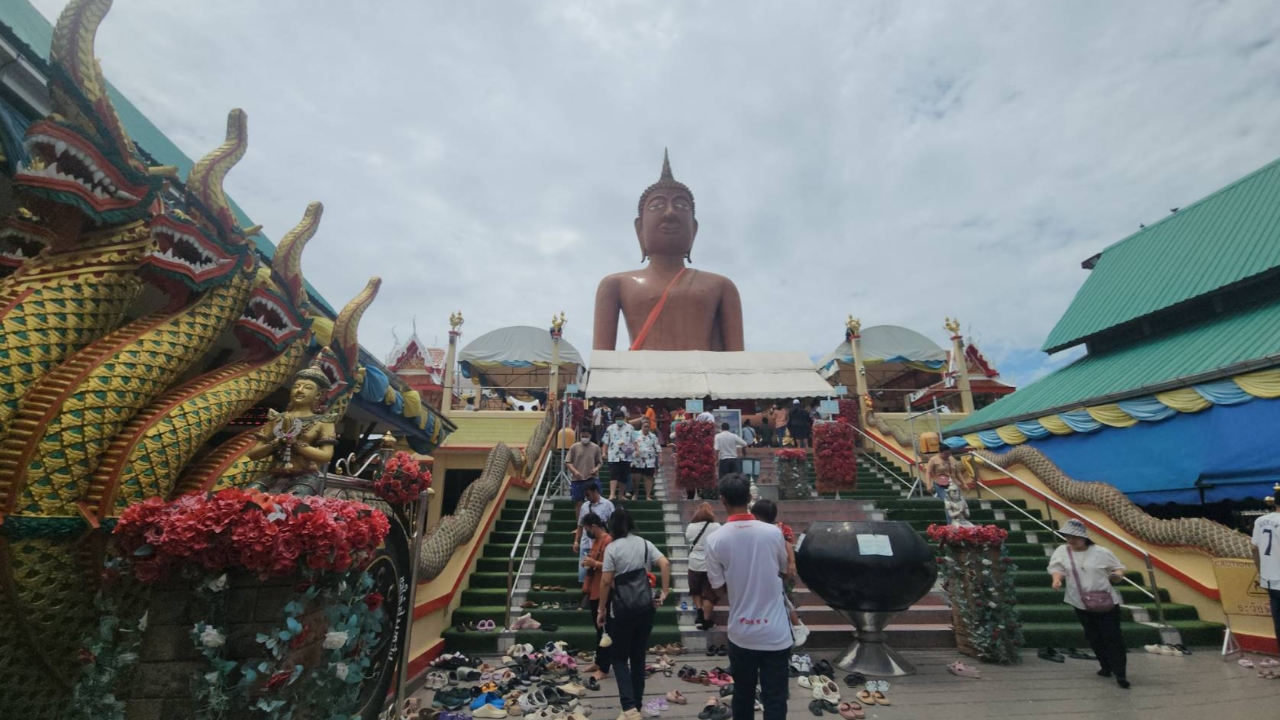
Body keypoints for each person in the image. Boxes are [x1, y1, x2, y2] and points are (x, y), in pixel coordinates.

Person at [705, 474, 791, 720]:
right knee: (775, 697)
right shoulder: (773, 533)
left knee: (742, 694)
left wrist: (739, 590)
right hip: (776, 633)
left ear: (722, 500)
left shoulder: (715, 539)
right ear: (751, 497)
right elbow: (783, 571)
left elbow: (718, 587)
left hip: (742, 631)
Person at [598, 508, 672, 720]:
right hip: (645, 607)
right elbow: (665, 563)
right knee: (638, 657)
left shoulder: (612, 548)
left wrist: (601, 610)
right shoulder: (645, 544)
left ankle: (629, 708)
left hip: (621, 609)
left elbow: (605, 582)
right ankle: (636, 707)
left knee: (619, 657)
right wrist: (664, 593)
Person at [1048, 519, 1130, 689]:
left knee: (1113, 636)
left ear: (1084, 537)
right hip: (1080, 601)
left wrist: (1117, 576)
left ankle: (1120, 672)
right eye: (1068, 537)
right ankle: (1105, 666)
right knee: (1093, 636)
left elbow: (1118, 568)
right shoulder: (1062, 551)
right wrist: (1057, 580)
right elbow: (1057, 568)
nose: (1071, 540)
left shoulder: (1101, 552)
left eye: (1075, 537)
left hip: (1106, 601)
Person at [748, 499, 801, 627]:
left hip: (774, 575)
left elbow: (787, 546)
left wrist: (790, 565)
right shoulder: (774, 530)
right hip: (774, 575)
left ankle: (797, 627)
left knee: (784, 602)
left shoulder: (775, 531)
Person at [580, 512, 614, 681]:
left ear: (593, 526)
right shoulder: (596, 542)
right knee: (599, 630)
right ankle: (599, 661)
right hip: (595, 589)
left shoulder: (608, 540)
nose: (587, 532)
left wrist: (594, 563)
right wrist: (588, 562)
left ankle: (605, 667)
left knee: (604, 630)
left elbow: (611, 566)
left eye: (587, 528)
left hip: (604, 591)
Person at [1250, 484, 1280, 648]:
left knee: (1278, 621)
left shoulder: (1260, 521)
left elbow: (1254, 548)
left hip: (1269, 578)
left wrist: (1261, 569)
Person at [685, 502, 721, 630]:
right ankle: (706, 619)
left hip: (694, 563)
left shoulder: (691, 527)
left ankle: (699, 615)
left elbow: (688, 538)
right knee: (708, 593)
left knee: (696, 591)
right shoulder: (716, 526)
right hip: (710, 563)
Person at [574, 481, 615, 590]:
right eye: (585, 495)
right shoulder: (584, 506)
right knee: (584, 573)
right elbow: (580, 525)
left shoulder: (608, 505)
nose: (587, 498)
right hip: (586, 543)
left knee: (599, 572)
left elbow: (613, 524)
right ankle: (585, 595)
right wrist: (576, 541)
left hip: (601, 544)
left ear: (595, 491)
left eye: (588, 494)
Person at [566, 430, 603, 520]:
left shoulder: (595, 447)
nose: (584, 438)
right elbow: (568, 462)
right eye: (582, 436)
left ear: (590, 436)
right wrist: (575, 471)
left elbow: (600, 463)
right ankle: (580, 524)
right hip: (577, 479)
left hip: (592, 478)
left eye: (586, 436)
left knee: (595, 501)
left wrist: (596, 469)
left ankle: (595, 521)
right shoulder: (574, 447)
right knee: (578, 502)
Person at [603, 413, 637, 500]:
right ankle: (612, 494)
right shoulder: (610, 428)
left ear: (623, 418)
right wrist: (604, 452)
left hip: (626, 455)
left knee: (623, 476)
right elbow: (606, 442)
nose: (619, 420)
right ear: (614, 419)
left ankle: (621, 495)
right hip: (614, 455)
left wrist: (637, 450)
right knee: (613, 474)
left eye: (621, 418)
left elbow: (634, 440)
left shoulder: (630, 428)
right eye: (617, 418)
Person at [631, 420, 661, 501]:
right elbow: (632, 443)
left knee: (648, 478)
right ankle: (635, 494)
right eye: (645, 426)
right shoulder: (635, 434)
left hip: (649, 460)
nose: (646, 428)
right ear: (642, 427)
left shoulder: (653, 436)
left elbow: (658, 448)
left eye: (648, 427)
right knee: (635, 478)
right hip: (637, 460)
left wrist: (660, 459)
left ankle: (648, 496)